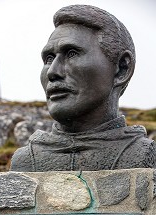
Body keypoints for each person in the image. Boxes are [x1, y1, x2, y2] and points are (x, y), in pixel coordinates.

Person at [10, 4, 156, 172]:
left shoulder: (143, 155)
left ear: (121, 69)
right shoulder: (25, 162)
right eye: (49, 58)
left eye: (72, 53)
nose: (52, 72)